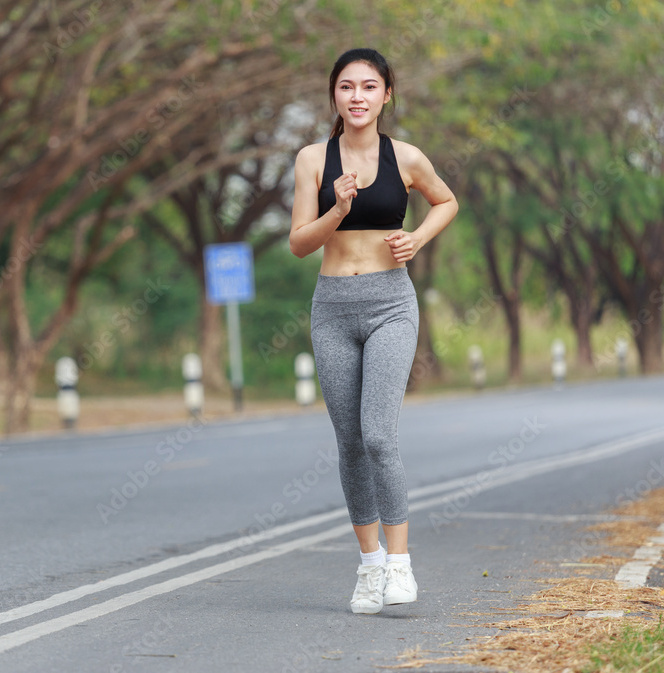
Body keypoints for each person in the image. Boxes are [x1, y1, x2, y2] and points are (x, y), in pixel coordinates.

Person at [289, 48, 458, 615]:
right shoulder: (313, 159)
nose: (356, 96)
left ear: (387, 94)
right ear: (333, 96)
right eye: (345, 87)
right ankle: (368, 566)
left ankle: (400, 563)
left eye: (368, 86)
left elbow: (446, 200)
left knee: (379, 435)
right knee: (350, 444)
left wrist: (419, 239)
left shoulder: (406, 157)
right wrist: (336, 208)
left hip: (390, 303)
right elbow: (298, 242)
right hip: (332, 307)